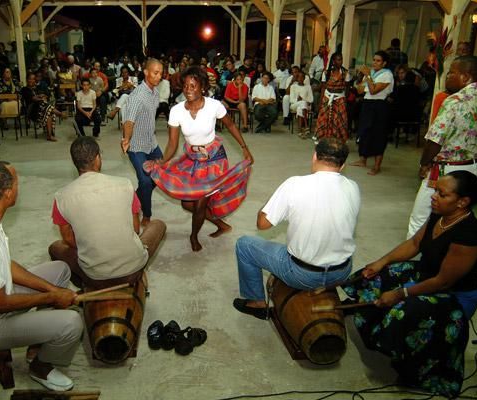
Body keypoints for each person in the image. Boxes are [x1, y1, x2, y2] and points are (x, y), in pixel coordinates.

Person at [342, 171, 477, 397]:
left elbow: (442, 281)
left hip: (452, 294)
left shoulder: (469, 236)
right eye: (435, 190)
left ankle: (414, 369)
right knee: (375, 276)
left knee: (404, 310)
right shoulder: (440, 214)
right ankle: (372, 328)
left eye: (442, 193)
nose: (433, 196)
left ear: (462, 202)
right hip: (428, 275)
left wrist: (401, 293)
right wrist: (382, 261)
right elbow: (415, 243)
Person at [0, 162, 83, 392]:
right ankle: (41, 367)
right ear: (8, 193)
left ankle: (37, 344)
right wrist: (51, 298)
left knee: (60, 270)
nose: (18, 186)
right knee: (72, 323)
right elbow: (0, 304)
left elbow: (6, 265)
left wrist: (52, 290)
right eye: (16, 181)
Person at [233, 138, 359, 319]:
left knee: (244, 245)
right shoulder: (352, 187)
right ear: (343, 165)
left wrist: (269, 205)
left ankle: (256, 302)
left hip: (303, 274)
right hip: (341, 272)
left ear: (314, 156)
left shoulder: (294, 185)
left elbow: (262, 224)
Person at [144, 66, 253, 252]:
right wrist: (161, 162)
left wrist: (244, 148)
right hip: (192, 157)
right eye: (185, 86)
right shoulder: (176, 111)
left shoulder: (214, 106)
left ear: (202, 87)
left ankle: (194, 236)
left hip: (214, 158)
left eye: (193, 86)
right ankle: (221, 225)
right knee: (188, 203)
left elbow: (230, 125)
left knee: (200, 200)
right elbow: (172, 144)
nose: (188, 90)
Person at [48, 137, 166, 288]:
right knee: (157, 225)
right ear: (98, 158)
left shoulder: (62, 197)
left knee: (55, 247)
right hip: (133, 269)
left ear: (74, 162)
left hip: (95, 275)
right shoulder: (125, 185)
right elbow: (135, 230)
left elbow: (69, 240)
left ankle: (84, 286)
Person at [407, 56, 477, 238]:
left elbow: (435, 140)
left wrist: (424, 163)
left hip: (446, 172)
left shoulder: (455, 101)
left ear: (466, 77)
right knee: (458, 218)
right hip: (474, 168)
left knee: (420, 217)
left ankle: (415, 259)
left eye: (452, 72)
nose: (447, 76)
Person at [120, 58, 164, 227]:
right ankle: (146, 215)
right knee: (146, 181)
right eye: (155, 72)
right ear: (146, 72)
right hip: (136, 146)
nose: (159, 76)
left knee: (160, 174)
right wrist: (126, 139)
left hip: (151, 143)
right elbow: (129, 122)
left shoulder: (155, 93)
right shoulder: (137, 96)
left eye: (161, 73)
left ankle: (134, 200)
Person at [350, 51, 394, 175]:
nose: (374, 62)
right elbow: (360, 91)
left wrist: (368, 76)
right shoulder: (371, 73)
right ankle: (362, 159)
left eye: (378, 60)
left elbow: (374, 90)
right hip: (367, 105)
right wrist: (360, 78)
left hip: (379, 106)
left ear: (384, 63)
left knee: (378, 134)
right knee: (364, 132)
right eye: (374, 60)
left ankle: (376, 166)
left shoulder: (387, 75)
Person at [315, 53, 351, 142]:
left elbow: (347, 88)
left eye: (341, 59)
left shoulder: (345, 73)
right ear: (333, 61)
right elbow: (323, 87)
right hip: (327, 98)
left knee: (338, 120)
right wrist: (320, 102)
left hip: (339, 99)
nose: (340, 62)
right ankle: (324, 139)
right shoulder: (326, 73)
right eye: (338, 60)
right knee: (324, 119)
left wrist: (344, 101)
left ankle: (337, 140)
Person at [21, 72, 63, 142]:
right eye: (30, 79)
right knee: (43, 104)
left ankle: (49, 135)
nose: (32, 81)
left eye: (33, 79)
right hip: (32, 111)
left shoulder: (36, 88)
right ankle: (60, 114)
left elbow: (45, 95)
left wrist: (43, 96)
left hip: (42, 109)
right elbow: (33, 98)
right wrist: (40, 97)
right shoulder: (25, 89)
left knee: (49, 113)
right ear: (27, 80)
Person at [289, 72, 314, 138]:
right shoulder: (293, 86)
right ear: (297, 78)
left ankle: (300, 130)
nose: (300, 78)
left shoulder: (308, 87)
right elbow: (291, 99)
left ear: (304, 78)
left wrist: (303, 99)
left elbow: (311, 99)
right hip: (294, 105)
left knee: (301, 107)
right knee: (302, 104)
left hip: (305, 106)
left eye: (302, 77)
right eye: (299, 77)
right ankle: (306, 126)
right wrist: (298, 100)